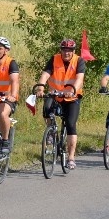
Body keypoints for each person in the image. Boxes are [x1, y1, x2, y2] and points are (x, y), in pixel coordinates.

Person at [34, 39, 86, 169]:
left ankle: (71, 157)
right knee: (46, 109)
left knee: (70, 124)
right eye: (64, 50)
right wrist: (40, 87)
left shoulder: (79, 61)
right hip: (55, 94)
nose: (66, 52)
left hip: (72, 97)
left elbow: (79, 79)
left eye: (69, 50)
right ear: (60, 50)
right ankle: (51, 132)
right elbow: (45, 74)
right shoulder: (54, 59)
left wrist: (72, 90)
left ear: (74, 51)